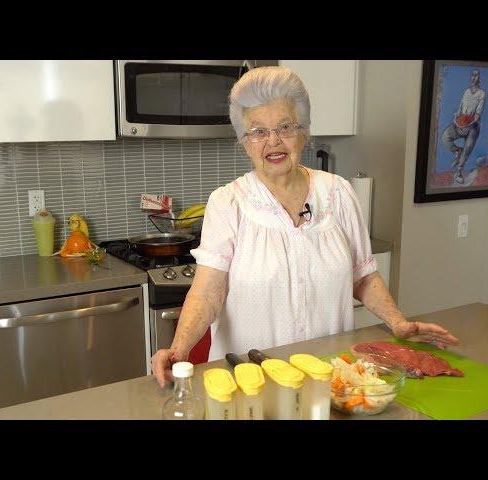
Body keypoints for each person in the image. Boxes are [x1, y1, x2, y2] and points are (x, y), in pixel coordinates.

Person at [152, 66, 459, 387]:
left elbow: (364, 276)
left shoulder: (338, 193)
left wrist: (398, 322)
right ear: (244, 142)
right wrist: (179, 349)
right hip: (250, 380)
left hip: (328, 377)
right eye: (258, 131)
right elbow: (207, 293)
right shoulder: (228, 203)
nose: (273, 141)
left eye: (285, 127)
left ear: (304, 132)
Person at [441, 69, 486, 184]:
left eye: (476, 75)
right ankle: (457, 150)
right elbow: (460, 108)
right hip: (460, 123)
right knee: (445, 137)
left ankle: (458, 172)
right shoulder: (466, 91)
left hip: (473, 127)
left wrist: (468, 125)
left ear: (479, 78)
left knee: (467, 149)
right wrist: (456, 119)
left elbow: (477, 115)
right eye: (472, 75)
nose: (474, 77)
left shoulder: (482, 93)